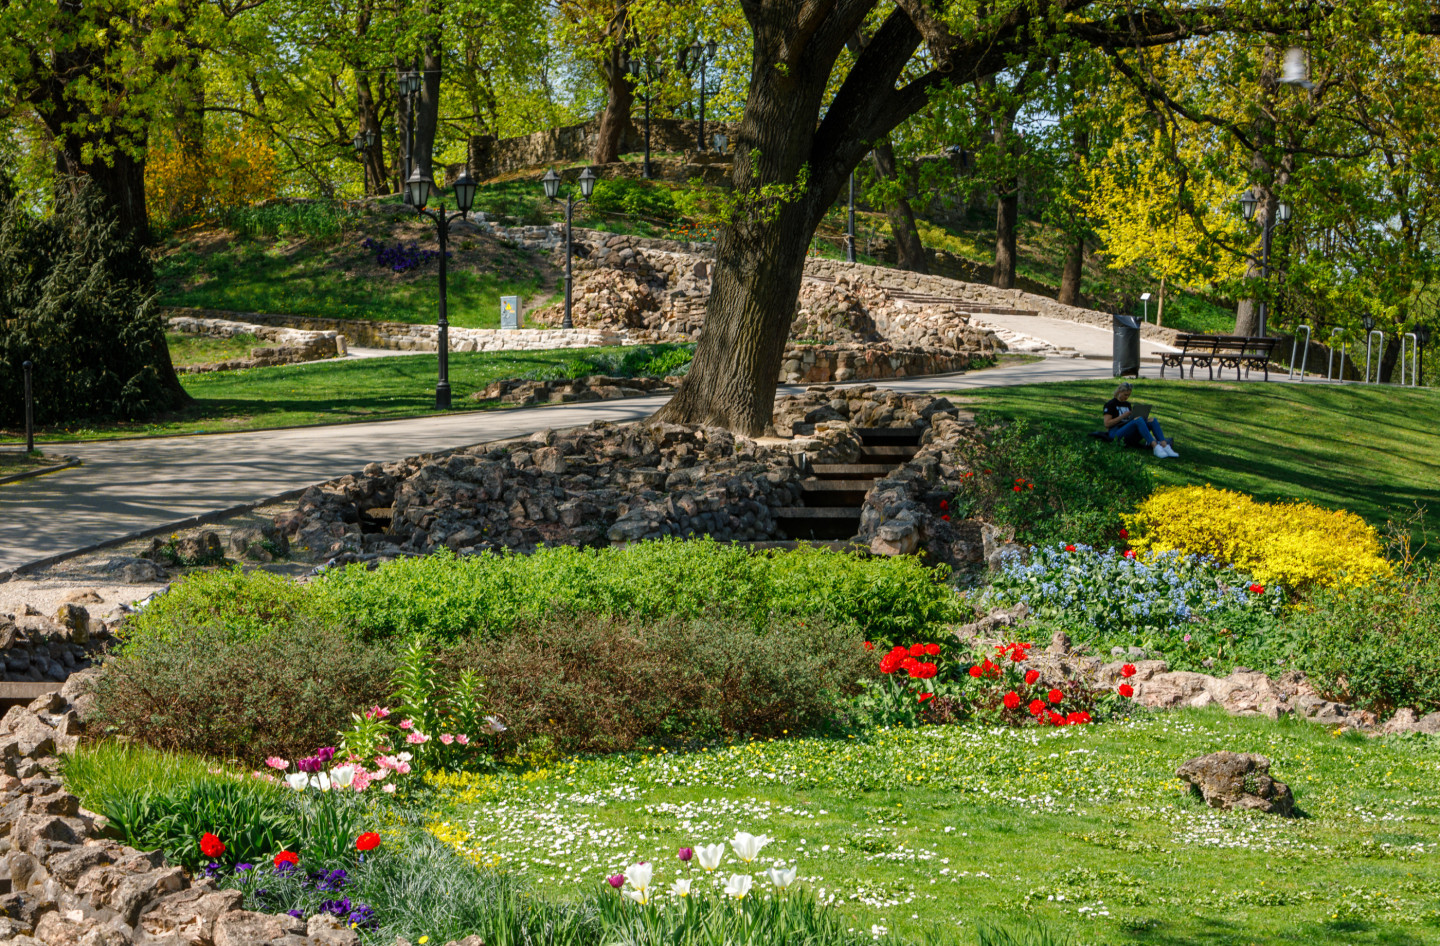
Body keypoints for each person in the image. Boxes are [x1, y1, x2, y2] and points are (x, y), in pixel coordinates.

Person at [1103, 383, 1178, 458]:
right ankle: (1155, 447)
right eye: (1125, 395)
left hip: (1128, 432)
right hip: (1115, 433)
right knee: (1138, 420)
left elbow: (1130, 421)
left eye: (1129, 395)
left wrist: (1143, 418)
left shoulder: (1127, 404)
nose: (1127, 397)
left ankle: (1165, 446)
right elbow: (1107, 424)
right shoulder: (1110, 404)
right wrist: (1123, 416)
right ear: (1119, 391)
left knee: (1153, 420)